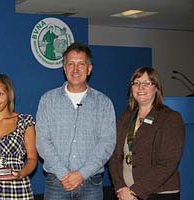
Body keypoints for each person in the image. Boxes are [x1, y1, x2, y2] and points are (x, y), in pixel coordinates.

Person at [36, 42, 116, 200]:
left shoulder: (103, 103)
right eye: (70, 64)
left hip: (91, 183)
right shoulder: (48, 100)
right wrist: (64, 174)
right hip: (57, 183)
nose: (75, 69)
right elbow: (42, 141)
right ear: (64, 68)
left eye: (81, 64)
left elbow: (107, 143)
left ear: (89, 68)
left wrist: (81, 174)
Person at [109, 67, 185, 200]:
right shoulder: (125, 117)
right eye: (136, 83)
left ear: (156, 88)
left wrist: (135, 191)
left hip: (159, 194)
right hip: (125, 193)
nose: (140, 87)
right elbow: (113, 157)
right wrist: (120, 188)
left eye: (147, 83)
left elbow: (168, 163)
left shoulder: (170, 118)